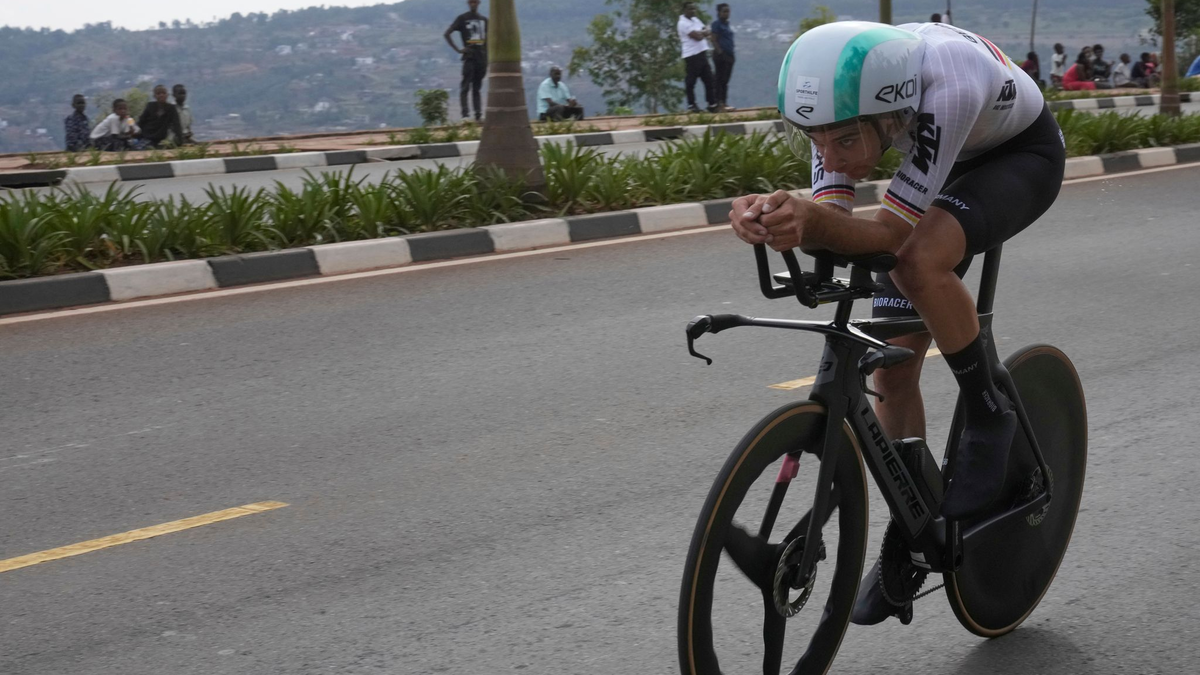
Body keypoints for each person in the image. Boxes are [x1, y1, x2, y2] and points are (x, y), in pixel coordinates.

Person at [733, 20, 1065, 625]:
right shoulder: (846, 107)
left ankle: (989, 410)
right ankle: (917, 521)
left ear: (888, 118)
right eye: (813, 139)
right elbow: (832, 222)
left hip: (1016, 156)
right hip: (944, 160)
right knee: (892, 368)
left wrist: (809, 221)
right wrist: (774, 217)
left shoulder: (946, 88)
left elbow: (886, 233)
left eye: (842, 143)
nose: (827, 155)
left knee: (919, 260)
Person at [444, 0, 488, 122]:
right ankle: (465, 114)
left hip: (482, 58)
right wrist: (458, 50)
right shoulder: (463, 18)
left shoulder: (484, 20)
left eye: (475, 2)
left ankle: (478, 114)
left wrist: (487, 57)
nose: (473, 4)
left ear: (479, 3)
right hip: (469, 57)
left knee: (477, 87)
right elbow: (447, 34)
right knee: (465, 86)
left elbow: (488, 40)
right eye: (471, 2)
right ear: (468, 3)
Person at [678, 1, 717, 113]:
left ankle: (712, 103)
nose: (693, 11)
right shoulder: (682, 23)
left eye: (694, 9)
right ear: (684, 10)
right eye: (690, 9)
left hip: (702, 53)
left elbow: (707, 30)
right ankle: (692, 105)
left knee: (709, 79)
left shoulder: (695, 20)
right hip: (692, 55)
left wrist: (703, 32)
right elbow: (698, 37)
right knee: (691, 81)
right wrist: (704, 32)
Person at [711, 3, 736, 111]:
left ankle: (724, 102)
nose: (726, 13)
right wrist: (720, 52)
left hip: (730, 55)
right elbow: (713, 39)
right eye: (724, 11)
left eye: (728, 11)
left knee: (725, 80)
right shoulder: (717, 24)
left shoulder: (727, 24)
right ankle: (718, 102)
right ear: (719, 12)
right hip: (721, 55)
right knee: (719, 79)